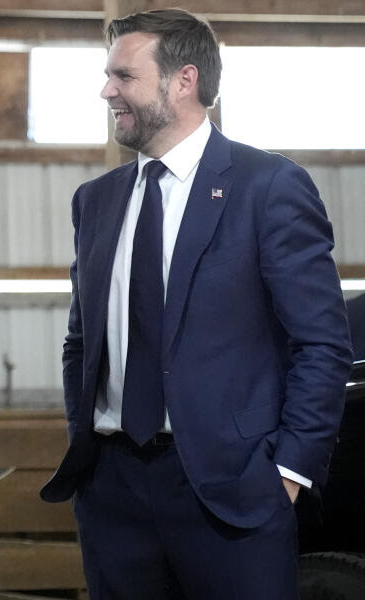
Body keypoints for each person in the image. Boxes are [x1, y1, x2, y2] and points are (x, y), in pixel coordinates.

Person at [40, 8, 352, 598]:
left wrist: (286, 473)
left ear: (184, 81)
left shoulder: (269, 187)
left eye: (123, 76)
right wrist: (89, 453)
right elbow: (81, 341)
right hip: (112, 494)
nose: (107, 90)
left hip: (233, 493)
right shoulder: (96, 201)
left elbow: (322, 344)